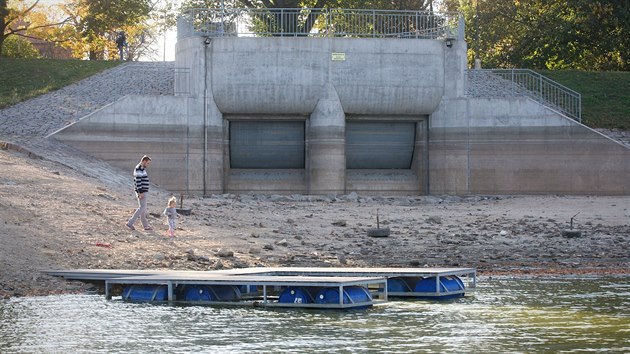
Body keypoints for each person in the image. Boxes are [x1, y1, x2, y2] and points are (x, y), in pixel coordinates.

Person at [126, 155, 152, 231]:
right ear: (144, 161)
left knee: (143, 209)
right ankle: (130, 223)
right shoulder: (139, 169)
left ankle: (145, 226)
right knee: (142, 208)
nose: (148, 165)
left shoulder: (142, 169)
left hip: (143, 191)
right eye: (148, 163)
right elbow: (138, 182)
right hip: (142, 191)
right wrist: (140, 192)